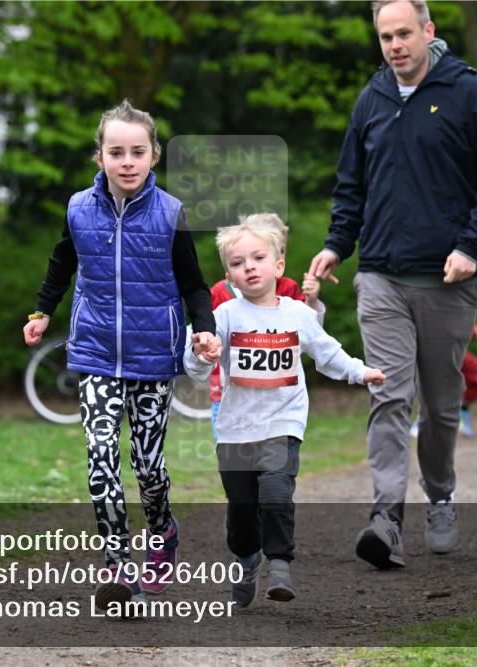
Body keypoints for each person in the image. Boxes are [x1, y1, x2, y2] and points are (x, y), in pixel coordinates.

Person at [308, 0, 477, 568]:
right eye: (385, 37)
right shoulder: (372, 99)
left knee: (442, 405)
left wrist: (472, 246)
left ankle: (440, 496)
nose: (395, 45)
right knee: (389, 396)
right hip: (380, 275)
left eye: (404, 34)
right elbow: (351, 184)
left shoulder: (469, 93)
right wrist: (336, 243)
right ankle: (387, 518)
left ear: (428, 31)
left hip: (448, 278)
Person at [23, 100, 220, 607]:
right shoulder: (79, 208)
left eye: (137, 152)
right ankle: (117, 565)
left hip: (152, 357)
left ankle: (163, 530)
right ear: (100, 157)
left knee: (148, 467)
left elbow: (194, 285)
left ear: (154, 155)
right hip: (95, 352)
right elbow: (62, 261)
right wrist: (43, 310)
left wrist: (204, 329)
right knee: (101, 459)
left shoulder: (170, 213)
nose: (127, 162)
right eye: (116, 152)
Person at [186, 218, 385, 606]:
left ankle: (279, 564)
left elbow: (327, 354)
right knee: (242, 511)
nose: (250, 267)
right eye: (239, 263)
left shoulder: (297, 314)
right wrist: (201, 353)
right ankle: (247, 559)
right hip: (236, 429)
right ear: (229, 276)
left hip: (283, 422)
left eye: (258, 258)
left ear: (278, 266)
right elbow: (195, 368)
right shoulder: (224, 316)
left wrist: (361, 372)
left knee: (277, 491)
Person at [208, 213, 326, 439]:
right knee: (233, 453)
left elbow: (312, 335)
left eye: (282, 250)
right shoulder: (220, 293)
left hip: (278, 400)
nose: (280, 255)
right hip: (228, 394)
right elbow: (204, 333)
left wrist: (311, 301)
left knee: (275, 455)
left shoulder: (287, 289)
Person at [410, 323, 477, 439]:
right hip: (433, 347)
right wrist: (473, 330)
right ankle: (421, 421)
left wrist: (472, 329)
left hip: (453, 348)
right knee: (437, 383)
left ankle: (461, 410)